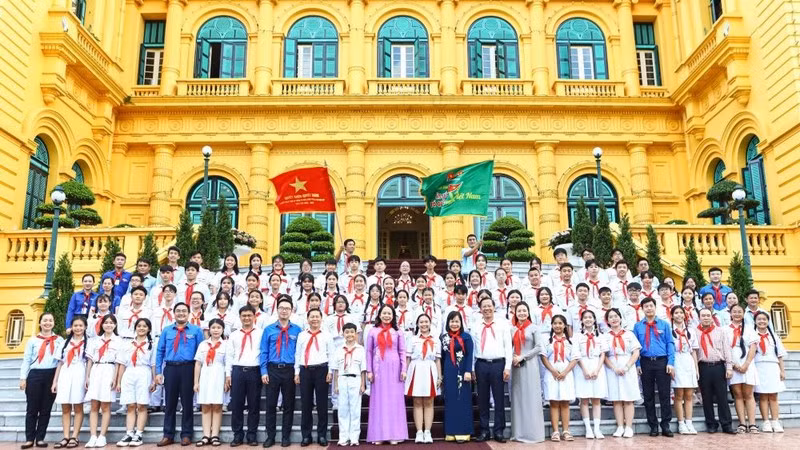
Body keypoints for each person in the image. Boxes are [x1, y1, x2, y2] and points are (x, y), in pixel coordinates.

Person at [155, 302, 204, 447]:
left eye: (184, 311)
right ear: (174, 313)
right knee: (169, 403)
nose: (181, 313)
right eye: (178, 311)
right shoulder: (167, 330)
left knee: (187, 403)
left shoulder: (196, 331)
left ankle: (187, 434)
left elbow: (201, 353)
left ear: (188, 313)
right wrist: (158, 371)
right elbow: (160, 351)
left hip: (188, 369)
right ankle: (168, 434)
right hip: (170, 368)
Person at [260, 297, 302, 448]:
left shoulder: (297, 330)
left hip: (289, 370)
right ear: (277, 310)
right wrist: (263, 371)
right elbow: (264, 351)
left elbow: (299, 352)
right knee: (271, 404)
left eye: (287, 308)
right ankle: (270, 436)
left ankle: (286, 436)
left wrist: (297, 371)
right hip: (272, 369)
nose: (284, 311)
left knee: (289, 405)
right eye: (281, 308)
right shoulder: (268, 330)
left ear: (291, 311)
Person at [365, 304, 408, 444]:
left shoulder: (398, 332)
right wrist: (369, 370)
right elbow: (369, 352)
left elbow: (402, 351)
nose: (386, 316)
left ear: (393, 316)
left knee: (394, 401)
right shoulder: (372, 331)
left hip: (395, 368)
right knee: (379, 401)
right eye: (384, 313)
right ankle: (379, 435)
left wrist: (403, 369)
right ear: (379, 315)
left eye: (389, 313)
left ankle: (394, 435)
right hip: (378, 368)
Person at [20, 312, 63, 449]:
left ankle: (40, 438)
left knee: (46, 408)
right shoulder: (33, 340)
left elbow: (62, 360)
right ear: (40, 323)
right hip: (35, 375)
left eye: (50, 320)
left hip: (51, 375)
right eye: (45, 320)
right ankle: (29, 438)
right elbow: (26, 360)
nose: (47, 323)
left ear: (54, 323)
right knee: (32, 408)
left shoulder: (59, 340)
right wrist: (23, 378)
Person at [471, 297, 511, 443]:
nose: (487, 308)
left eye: (489, 306)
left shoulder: (503, 324)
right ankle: (484, 430)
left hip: (498, 364)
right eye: (484, 306)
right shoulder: (475, 325)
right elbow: (473, 348)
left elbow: (508, 346)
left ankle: (499, 430)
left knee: (499, 398)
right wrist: (472, 368)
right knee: (482, 399)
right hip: (481, 364)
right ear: (480, 309)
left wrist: (507, 367)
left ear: (494, 307)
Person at [633, 297, 674, 437]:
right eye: (646, 306)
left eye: (651, 306)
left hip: (662, 362)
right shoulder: (638, 326)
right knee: (648, 395)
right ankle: (653, 425)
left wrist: (671, 362)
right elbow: (636, 347)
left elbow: (670, 343)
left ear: (655, 307)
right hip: (645, 362)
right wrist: (637, 364)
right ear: (642, 309)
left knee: (664, 395)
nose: (649, 308)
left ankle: (666, 425)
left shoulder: (664, 324)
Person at [225, 305, 264, 446]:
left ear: (254, 317)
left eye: (249, 315)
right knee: (237, 404)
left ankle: (252, 435)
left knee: (254, 404)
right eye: (244, 316)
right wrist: (228, 374)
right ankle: (238, 435)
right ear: (240, 317)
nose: (247, 318)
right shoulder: (234, 335)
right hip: (238, 371)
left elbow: (263, 353)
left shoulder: (261, 333)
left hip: (254, 370)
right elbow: (229, 355)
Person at [294, 308, 333, 447]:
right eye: (312, 317)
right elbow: (298, 354)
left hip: (322, 370)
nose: (315, 319)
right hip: (305, 370)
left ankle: (321, 435)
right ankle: (306, 435)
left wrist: (330, 371)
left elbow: (331, 354)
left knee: (322, 404)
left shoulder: (327, 335)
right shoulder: (302, 335)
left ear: (321, 319)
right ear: (308, 319)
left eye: (317, 316)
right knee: (306, 404)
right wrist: (296, 372)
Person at [116, 318, 156, 447]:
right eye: (139, 326)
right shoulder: (128, 344)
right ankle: (129, 433)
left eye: (145, 326)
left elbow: (154, 364)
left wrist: (154, 380)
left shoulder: (151, 345)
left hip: (144, 373)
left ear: (149, 329)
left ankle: (138, 433)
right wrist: (118, 382)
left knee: (141, 405)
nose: (142, 328)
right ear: (135, 328)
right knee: (131, 405)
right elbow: (122, 364)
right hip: (129, 373)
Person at [695, 308, 735, 434]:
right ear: (699, 317)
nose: (706, 318)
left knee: (722, 397)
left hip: (718, 366)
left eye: (708, 315)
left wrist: (729, 367)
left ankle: (726, 424)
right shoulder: (694, 332)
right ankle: (711, 424)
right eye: (703, 316)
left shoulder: (720, 331)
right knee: (706, 397)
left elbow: (727, 350)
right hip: (703, 367)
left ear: (711, 317)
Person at [509, 302, 544, 443]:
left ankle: (533, 433)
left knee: (531, 397)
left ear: (528, 312)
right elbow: (509, 346)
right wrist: (513, 358)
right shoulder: (512, 329)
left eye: (524, 310)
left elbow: (538, 347)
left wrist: (523, 357)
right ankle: (518, 433)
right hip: (516, 365)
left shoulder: (534, 328)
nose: (522, 313)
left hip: (530, 364)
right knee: (518, 398)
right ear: (515, 313)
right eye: (519, 311)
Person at [85, 315, 121, 448]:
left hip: (109, 370)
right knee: (94, 405)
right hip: (96, 369)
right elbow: (89, 360)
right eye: (106, 323)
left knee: (105, 406)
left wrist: (115, 379)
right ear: (102, 325)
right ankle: (93, 435)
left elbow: (118, 362)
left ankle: (102, 436)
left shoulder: (118, 341)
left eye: (111, 323)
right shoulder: (94, 341)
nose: (108, 325)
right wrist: (87, 377)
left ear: (115, 325)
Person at [603, 308, 641, 438]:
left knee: (628, 398)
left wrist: (627, 367)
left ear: (620, 318)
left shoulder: (629, 334)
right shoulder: (605, 336)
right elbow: (604, 355)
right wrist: (614, 368)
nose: (614, 319)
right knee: (616, 399)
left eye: (616, 316)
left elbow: (636, 352)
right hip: (612, 368)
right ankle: (620, 426)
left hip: (627, 366)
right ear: (607, 321)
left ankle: (629, 427)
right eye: (611, 317)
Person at [52, 317, 88, 449]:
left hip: (80, 373)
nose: (78, 328)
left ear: (85, 327)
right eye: (75, 325)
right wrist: (55, 381)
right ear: (71, 327)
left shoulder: (88, 343)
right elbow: (60, 363)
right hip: (65, 374)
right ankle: (66, 436)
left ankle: (75, 436)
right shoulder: (64, 343)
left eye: (80, 326)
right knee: (65, 407)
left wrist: (87, 379)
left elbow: (89, 362)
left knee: (78, 406)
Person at [405, 314, 441, 444]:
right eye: (421, 322)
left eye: (426, 321)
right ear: (418, 324)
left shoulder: (436, 340)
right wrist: (406, 373)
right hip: (416, 369)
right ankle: (419, 431)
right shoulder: (412, 339)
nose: (424, 324)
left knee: (429, 401)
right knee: (418, 402)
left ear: (430, 323)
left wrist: (439, 377)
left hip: (430, 369)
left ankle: (428, 431)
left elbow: (437, 360)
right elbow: (408, 358)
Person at [541, 315, 577, 442]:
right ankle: (555, 431)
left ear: (564, 325)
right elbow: (543, 357)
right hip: (552, 373)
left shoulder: (570, 341)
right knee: (554, 402)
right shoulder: (547, 340)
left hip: (566, 374)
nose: (557, 326)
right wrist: (553, 371)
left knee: (565, 402)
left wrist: (565, 372)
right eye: (555, 323)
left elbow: (574, 359)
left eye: (560, 323)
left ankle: (566, 430)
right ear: (551, 325)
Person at [573, 310, 607, 439]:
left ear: (594, 320)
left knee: (596, 399)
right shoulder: (577, 336)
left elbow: (603, 353)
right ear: (581, 320)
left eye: (590, 317)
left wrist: (597, 370)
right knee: (584, 399)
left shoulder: (601, 336)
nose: (588, 319)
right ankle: (588, 428)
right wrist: (585, 370)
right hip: (582, 367)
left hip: (597, 366)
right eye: (585, 317)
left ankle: (597, 429)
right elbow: (576, 354)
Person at [194, 318, 228, 447]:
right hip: (206, 376)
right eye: (213, 327)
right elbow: (198, 363)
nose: (216, 330)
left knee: (217, 406)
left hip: (219, 375)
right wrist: (196, 382)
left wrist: (226, 381)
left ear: (223, 330)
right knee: (206, 406)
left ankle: (215, 435)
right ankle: (206, 435)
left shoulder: (226, 345)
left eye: (219, 328)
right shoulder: (203, 344)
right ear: (209, 329)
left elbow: (227, 364)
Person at [332, 323, 367, 446]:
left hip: (355, 379)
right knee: (343, 409)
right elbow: (336, 369)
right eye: (347, 332)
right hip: (342, 379)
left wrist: (363, 384)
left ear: (356, 334)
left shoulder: (360, 349)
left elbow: (363, 369)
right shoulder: (339, 350)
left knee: (355, 409)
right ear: (343, 334)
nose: (350, 334)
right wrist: (335, 385)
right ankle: (343, 437)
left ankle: (354, 437)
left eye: (352, 332)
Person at [728, 304, 759, 434]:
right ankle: (742, 423)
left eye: (739, 312)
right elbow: (725, 348)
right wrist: (734, 364)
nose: (737, 314)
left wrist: (746, 363)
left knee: (748, 394)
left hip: (748, 363)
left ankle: (752, 424)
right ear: (730, 314)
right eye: (734, 312)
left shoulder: (750, 328)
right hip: (733, 363)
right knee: (738, 394)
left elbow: (753, 346)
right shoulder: (725, 329)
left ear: (743, 313)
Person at [753, 311, 787, 433]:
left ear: (768, 321)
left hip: (773, 367)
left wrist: (782, 370)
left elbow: (780, 355)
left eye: (764, 319)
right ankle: (766, 422)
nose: (762, 321)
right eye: (759, 319)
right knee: (762, 396)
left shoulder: (774, 336)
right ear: (755, 321)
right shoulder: (752, 336)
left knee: (773, 396)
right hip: (759, 367)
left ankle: (775, 421)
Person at [669, 305, 699, 435]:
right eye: (676, 313)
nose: (679, 315)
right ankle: (681, 423)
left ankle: (689, 422)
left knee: (689, 394)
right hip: (676, 361)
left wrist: (696, 368)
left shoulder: (690, 331)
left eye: (681, 313)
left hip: (688, 361)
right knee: (679, 394)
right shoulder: (669, 330)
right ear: (672, 315)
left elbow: (693, 351)